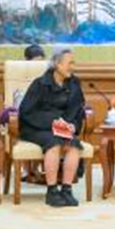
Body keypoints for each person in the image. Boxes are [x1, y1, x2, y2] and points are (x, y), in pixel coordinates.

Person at [16, 46, 87, 208]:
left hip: (62, 128)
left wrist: (72, 126)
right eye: (69, 63)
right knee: (54, 143)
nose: (72, 67)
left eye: (73, 63)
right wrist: (54, 123)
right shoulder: (40, 84)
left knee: (74, 145)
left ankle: (67, 190)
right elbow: (26, 112)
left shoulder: (74, 84)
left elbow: (78, 110)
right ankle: (52, 191)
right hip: (36, 127)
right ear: (57, 64)